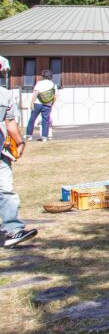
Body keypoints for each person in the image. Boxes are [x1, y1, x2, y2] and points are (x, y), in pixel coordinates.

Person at [1, 56, 37, 249]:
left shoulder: (5, 95)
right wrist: (20, 142)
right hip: (1, 151)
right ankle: (13, 228)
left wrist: (19, 141)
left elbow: (9, 122)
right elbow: (10, 123)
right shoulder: (4, 94)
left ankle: (13, 229)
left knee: (6, 189)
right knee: (5, 189)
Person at [26, 69, 57, 142]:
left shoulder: (39, 83)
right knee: (45, 120)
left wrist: (32, 103)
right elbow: (55, 96)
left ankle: (29, 136)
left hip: (37, 103)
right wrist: (51, 104)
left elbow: (35, 93)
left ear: (43, 76)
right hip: (47, 104)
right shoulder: (53, 84)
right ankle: (44, 137)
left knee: (32, 119)